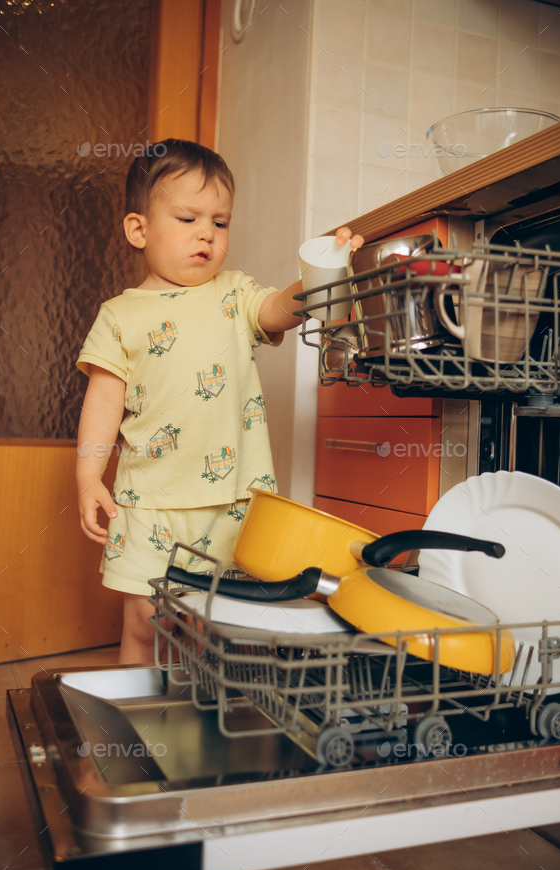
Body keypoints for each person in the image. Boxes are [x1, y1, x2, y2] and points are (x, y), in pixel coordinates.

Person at [76, 138, 363, 664]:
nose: (206, 233)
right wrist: (89, 476)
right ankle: (137, 730)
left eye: (220, 222)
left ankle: (196, 725)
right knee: (146, 626)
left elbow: (280, 309)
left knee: (214, 630)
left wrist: (326, 269)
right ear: (139, 229)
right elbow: (103, 404)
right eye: (187, 218)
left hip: (232, 505)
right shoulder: (119, 316)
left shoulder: (233, 294)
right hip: (148, 504)